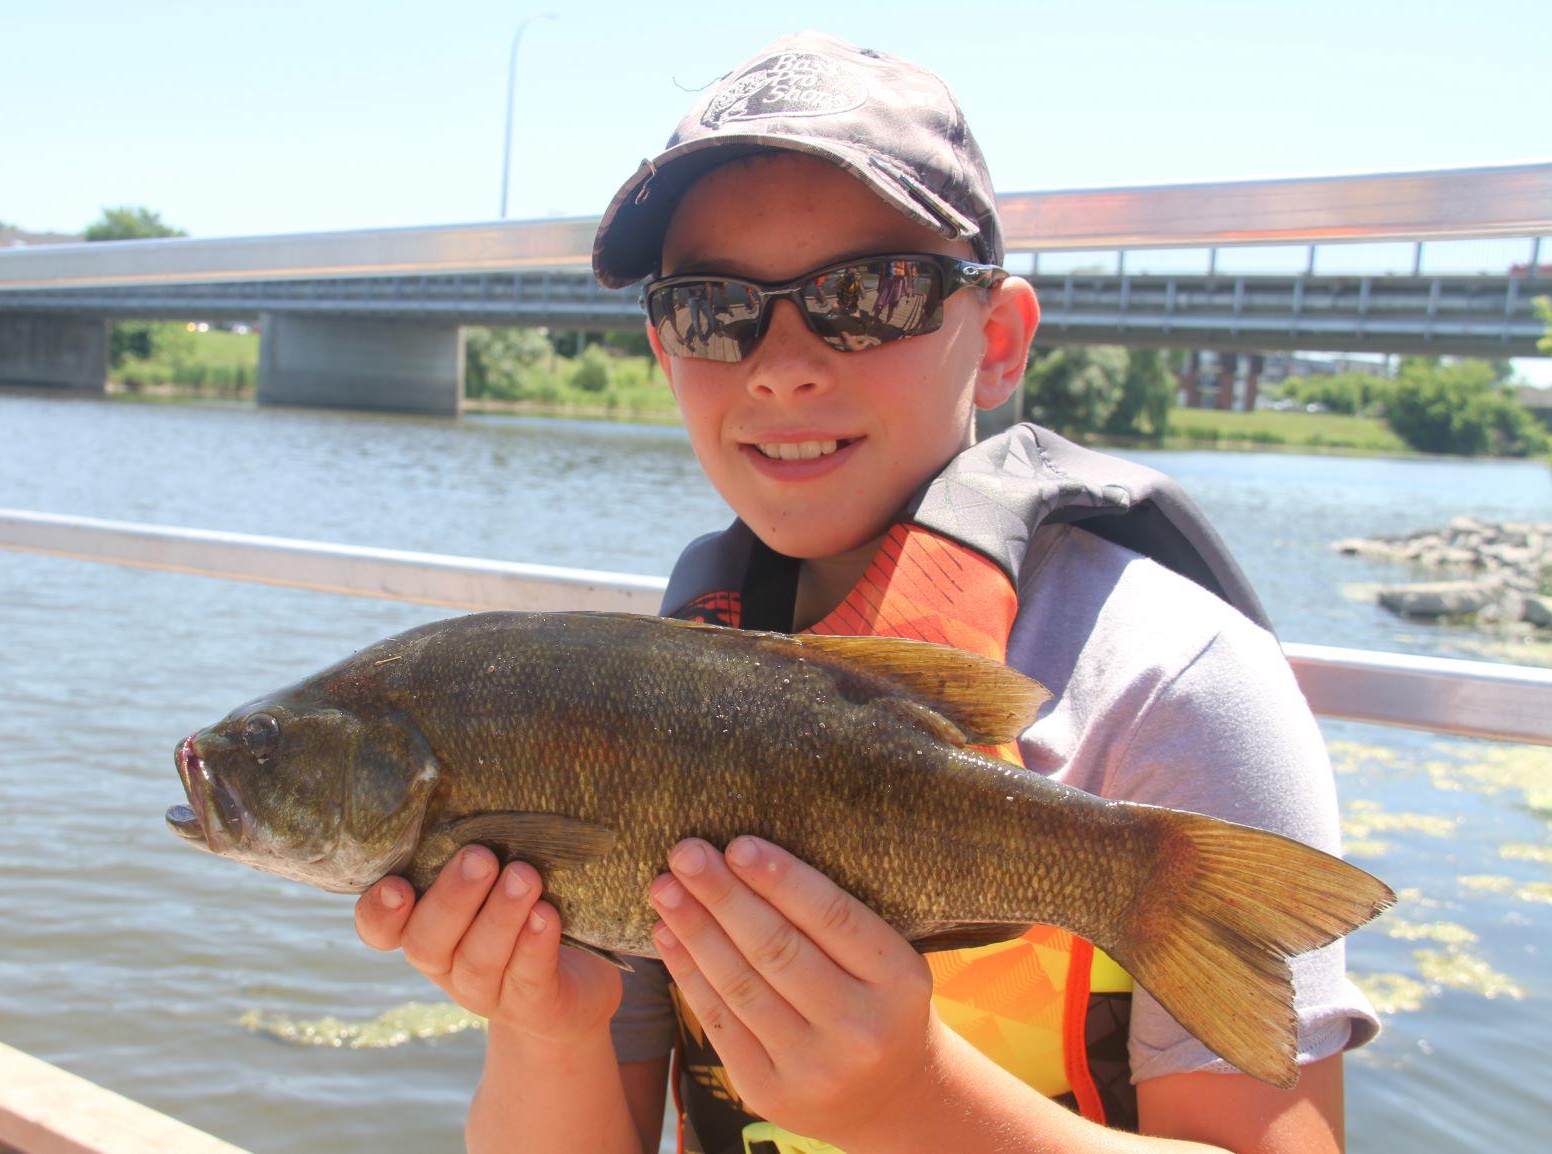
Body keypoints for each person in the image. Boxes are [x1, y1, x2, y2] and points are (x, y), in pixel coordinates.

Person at [354, 30, 1377, 1154]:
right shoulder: (661, 682)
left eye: (868, 293)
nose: (781, 361)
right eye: (712, 307)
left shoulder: (1172, 686)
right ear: (663, 348)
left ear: (997, 340)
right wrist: (543, 1030)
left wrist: (914, 1103)